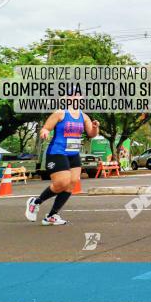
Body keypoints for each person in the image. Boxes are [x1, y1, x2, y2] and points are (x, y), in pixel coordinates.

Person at [25, 91, 99, 225]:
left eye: (78, 94)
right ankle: (35, 202)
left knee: (72, 183)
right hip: (57, 152)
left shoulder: (84, 116)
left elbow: (92, 134)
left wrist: (95, 128)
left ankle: (51, 216)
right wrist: (45, 132)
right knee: (62, 183)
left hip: (73, 153)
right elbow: (45, 128)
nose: (75, 97)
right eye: (71, 95)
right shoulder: (60, 113)